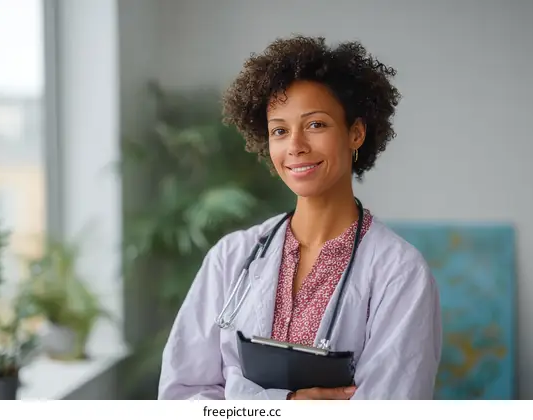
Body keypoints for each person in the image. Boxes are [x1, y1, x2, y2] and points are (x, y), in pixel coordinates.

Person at [157, 35, 442, 400]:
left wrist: (241, 398)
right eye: (279, 130)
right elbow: (181, 397)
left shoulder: (400, 273)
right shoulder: (231, 258)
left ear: (355, 133)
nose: (295, 146)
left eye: (316, 125)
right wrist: (287, 404)